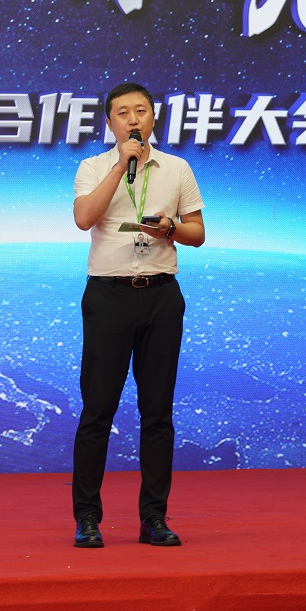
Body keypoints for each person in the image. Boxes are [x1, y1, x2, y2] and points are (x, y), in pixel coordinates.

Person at [69, 81, 205, 548]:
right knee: (97, 410)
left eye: (141, 111)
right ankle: (88, 519)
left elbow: (198, 233)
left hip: (162, 296)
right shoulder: (92, 167)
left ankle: (154, 519)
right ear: (110, 122)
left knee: (158, 412)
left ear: (153, 118)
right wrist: (120, 166)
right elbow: (84, 218)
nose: (133, 119)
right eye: (123, 112)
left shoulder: (177, 168)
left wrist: (171, 228)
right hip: (108, 297)